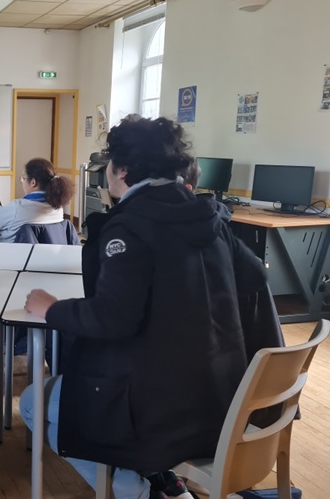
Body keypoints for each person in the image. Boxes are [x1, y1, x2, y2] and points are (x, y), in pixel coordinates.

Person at [19, 117, 269, 499]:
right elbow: (255, 278)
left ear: (121, 171)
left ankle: (137, 491)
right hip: (219, 396)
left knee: (33, 402)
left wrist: (52, 308)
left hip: (159, 407)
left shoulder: (128, 227)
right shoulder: (208, 215)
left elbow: (113, 318)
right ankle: (162, 479)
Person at [0, 158, 74, 243]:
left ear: (33, 182)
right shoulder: (58, 208)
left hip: (8, 257)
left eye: (23, 179)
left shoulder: (18, 208)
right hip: (42, 258)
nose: (22, 182)